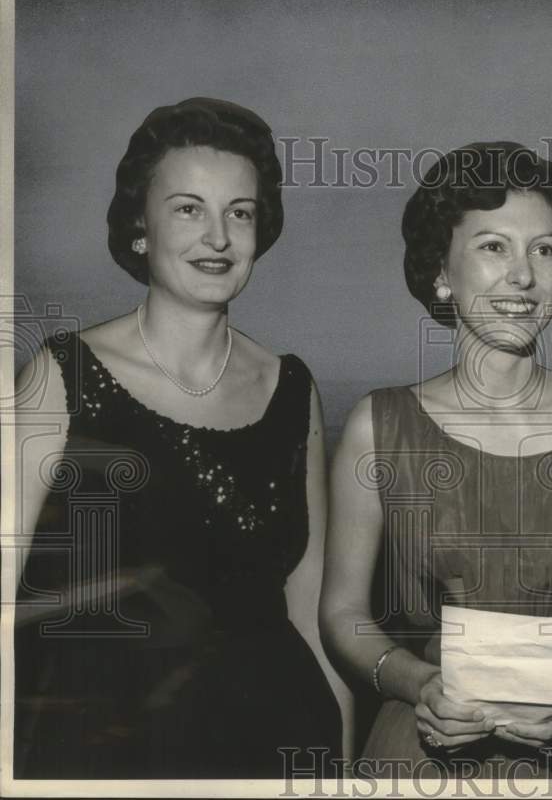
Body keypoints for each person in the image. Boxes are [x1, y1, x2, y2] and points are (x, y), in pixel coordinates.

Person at [13, 98, 342, 778]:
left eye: (240, 212)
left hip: (273, 746)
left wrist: (337, 774)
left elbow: (311, 623)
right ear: (141, 224)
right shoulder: (62, 376)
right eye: (189, 208)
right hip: (103, 754)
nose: (218, 237)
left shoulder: (292, 391)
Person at [320, 142, 552, 777]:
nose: (523, 276)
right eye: (493, 246)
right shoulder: (379, 425)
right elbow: (343, 614)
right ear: (441, 272)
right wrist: (416, 683)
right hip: (422, 750)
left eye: (544, 248)